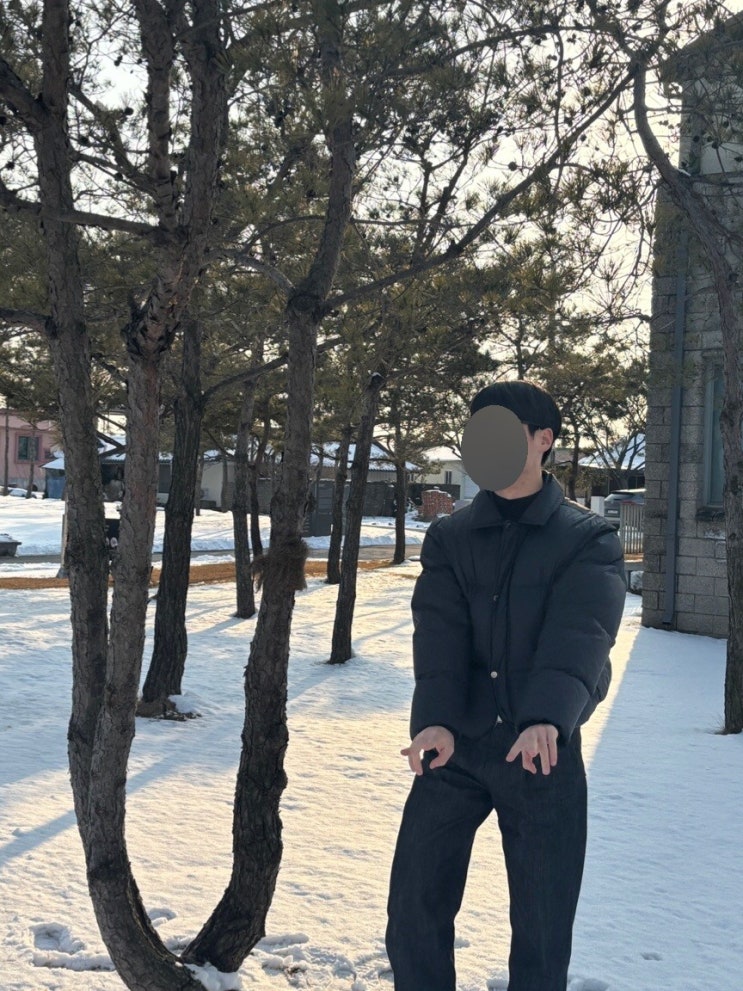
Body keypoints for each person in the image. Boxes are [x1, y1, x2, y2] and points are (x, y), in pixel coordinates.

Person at [386, 380, 627, 991]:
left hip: (540, 751)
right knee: (413, 908)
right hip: (457, 746)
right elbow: (438, 635)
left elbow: (582, 634)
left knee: (543, 928)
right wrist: (433, 720)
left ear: (543, 440)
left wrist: (547, 717)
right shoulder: (450, 536)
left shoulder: (587, 538)